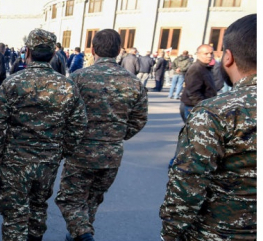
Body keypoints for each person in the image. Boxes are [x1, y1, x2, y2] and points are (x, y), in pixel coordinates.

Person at [160, 14, 257, 241]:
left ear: (228, 58)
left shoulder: (216, 112)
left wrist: (171, 234)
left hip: (222, 231)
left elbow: (188, 185)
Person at [0, 28, 87, 241]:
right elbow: (78, 125)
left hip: (15, 159)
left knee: (15, 212)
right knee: (38, 206)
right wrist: (63, 151)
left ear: (28, 52)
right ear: (53, 54)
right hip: (48, 159)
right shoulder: (67, 86)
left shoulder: (13, 83)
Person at [55, 29, 148, 241]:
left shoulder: (78, 78)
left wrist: (70, 138)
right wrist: (117, 135)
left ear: (93, 50)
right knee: (91, 201)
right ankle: (78, 234)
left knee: (70, 200)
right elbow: (139, 119)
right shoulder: (133, 82)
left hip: (81, 152)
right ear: (118, 50)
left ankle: (83, 235)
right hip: (111, 153)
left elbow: (63, 114)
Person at [179, 45, 216, 122]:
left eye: (211, 53)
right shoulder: (196, 69)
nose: (209, 56)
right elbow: (193, 92)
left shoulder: (205, 68)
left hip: (201, 106)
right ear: (198, 54)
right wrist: (203, 107)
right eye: (206, 54)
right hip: (193, 107)